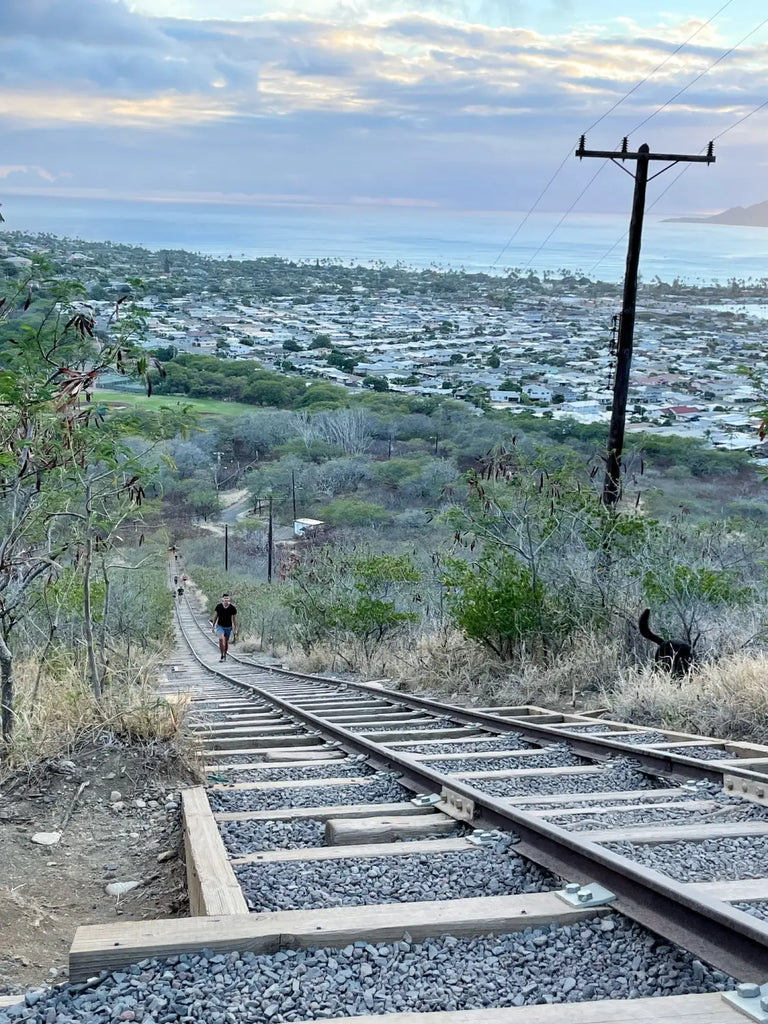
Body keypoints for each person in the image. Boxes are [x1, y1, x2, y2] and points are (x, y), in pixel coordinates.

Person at [211, 593, 238, 661]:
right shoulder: (219, 607)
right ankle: (222, 655)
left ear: (229, 599)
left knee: (225, 642)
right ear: (222, 599)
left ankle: (224, 654)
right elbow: (215, 616)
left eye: (227, 598)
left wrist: (235, 628)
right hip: (220, 626)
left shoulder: (232, 608)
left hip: (228, 627)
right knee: (221, 639)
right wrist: (213, 626)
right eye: (225, 598)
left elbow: (234, 619)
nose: (226, 600)